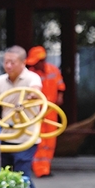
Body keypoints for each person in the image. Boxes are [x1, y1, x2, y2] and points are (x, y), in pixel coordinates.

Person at [0, 45, 43, 188]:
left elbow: (36, 91)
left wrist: (31, 95)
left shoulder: (32, 78)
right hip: (5, 136)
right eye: (6, 62)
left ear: (23, 63)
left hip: (26, 137)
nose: (8, 66)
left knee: (22, 175)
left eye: (12, 62)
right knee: (6, 175)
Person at [25, 46, 65, 177]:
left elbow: (60, 86)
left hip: (51, 110)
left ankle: (46, 167)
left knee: (50, 140)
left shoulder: (53, 70)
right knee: (39, 139)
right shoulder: (30, 74)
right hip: (36, 111)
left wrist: (60, 96)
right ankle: (39, 169)